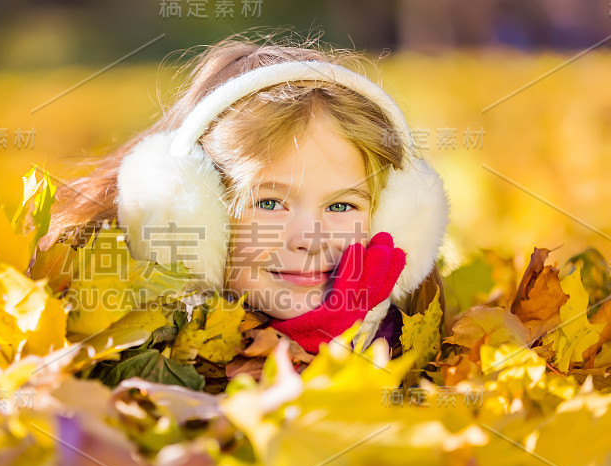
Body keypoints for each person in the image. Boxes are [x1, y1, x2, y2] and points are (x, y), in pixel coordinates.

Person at [43, 34, 450, 363]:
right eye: (270, 203)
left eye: (341, 206)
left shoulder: (407, 344)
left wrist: (332, 338)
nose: (308, 239)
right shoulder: (109, 348)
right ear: (190, 214)